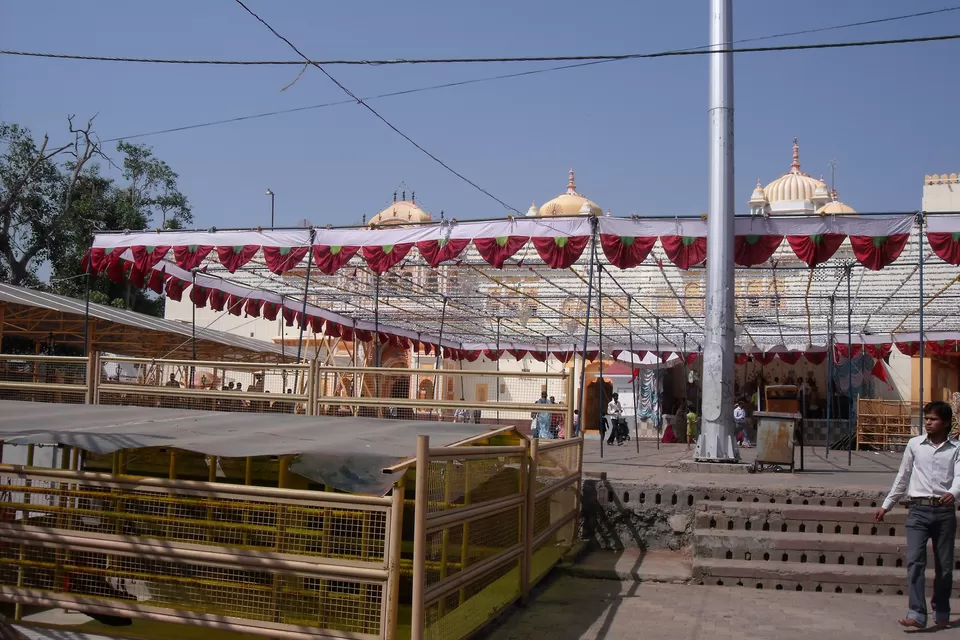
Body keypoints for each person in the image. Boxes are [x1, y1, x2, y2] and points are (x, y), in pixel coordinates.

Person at [875, 401, 958, 630]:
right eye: (927, 418)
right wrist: (887, 505)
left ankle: (941, 610)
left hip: (944, 512)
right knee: (915, 562)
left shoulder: (956, 448)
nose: (928, 423)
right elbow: (903, 476)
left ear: (946, 422)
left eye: (933, 419)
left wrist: (953, 492)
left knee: (945, 565)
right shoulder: (915, 445)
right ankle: (917, 613)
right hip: (918, 511)